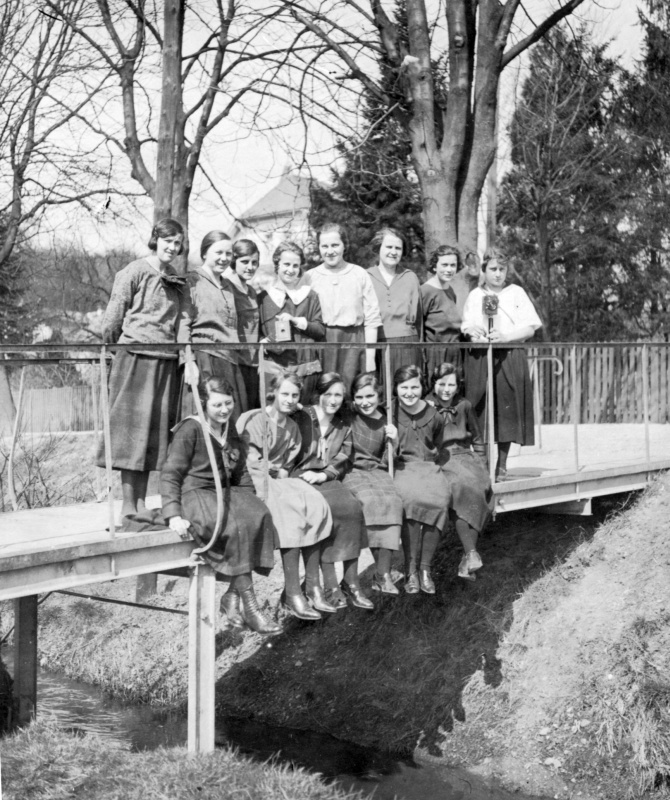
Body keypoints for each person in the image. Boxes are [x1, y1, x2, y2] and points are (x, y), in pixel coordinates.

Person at [160, 377, 280, 634]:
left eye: (229, 403)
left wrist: (251, 499)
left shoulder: (229, 429)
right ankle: (250, 606)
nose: (225, 410)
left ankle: (231, 597)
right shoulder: (190, 429)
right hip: (195, 494)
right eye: (217, 405)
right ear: (203, 403)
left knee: (258, 515)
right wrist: (172, 515)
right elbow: (171, 473)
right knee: (233, 524)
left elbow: (241, 471)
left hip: (223, 492)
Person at [97, 217, 185, 518]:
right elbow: (111, 320)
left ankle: (143, 504)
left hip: (165, 361)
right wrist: (116, 350)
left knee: (153, 433)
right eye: (168, 241)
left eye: (177, 243)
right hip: (134, 357)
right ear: (155, 239)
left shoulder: (176, 278)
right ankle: (127, 505)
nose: (172, 248)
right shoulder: (133, 271)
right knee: (130, 432)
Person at [236, 372, 333, 621]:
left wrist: (282, 476)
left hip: (276, 478)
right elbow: (249, 462)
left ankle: (313, 584)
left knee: (313, 501)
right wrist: (273, 479)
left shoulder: (291, 427)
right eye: (285, 394)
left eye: (294, 395)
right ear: (274, 393)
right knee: (288, 508)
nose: (289, 400)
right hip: (251, 478)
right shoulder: (255, 419)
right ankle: (292, 592)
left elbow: (285, 466)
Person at [292, 373, 373, 611]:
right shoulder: (302, 416)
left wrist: (325, 474)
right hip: (300, 475)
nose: (333, 400)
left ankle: (352, 582)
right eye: (328, 394)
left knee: (351, 508)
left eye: (338, 395)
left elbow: (343, 455)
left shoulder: (342, 423)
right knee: (326, 511)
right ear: (319, 394)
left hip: (324, 477)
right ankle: (331, 585)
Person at [461, 247, 543, 479]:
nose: (498, 274)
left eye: (502, 269)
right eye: (493, 269)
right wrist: (472, 332)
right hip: (480, 356)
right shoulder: (476, 295)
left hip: (508, 354)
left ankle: (502, 465)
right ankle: (483, 464)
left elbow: (530, 328)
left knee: (507, 409)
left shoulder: (515, 293)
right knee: (481, 408)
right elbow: (466, 324)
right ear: (484, 271)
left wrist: (506, 336)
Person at [428, 363, 493, 581]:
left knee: (483, 488)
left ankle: (470, 556)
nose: (446, 389)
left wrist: (483, 463)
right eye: (441, 384)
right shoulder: (426, 405)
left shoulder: (464, 405)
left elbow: (476, 437)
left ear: (458, 386)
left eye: (451, 384)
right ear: (433, 384)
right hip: (441, 457)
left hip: (465, 455)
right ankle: (471, 553)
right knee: (458, 487)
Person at [393, 364, 451, 595]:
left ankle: (425, 569)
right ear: (396, 388)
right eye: (404, 387)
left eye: (414, 387)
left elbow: (437, 443)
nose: (409, 393)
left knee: (439, 499)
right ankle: (410, 569)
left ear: (422, 387)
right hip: (402, 466)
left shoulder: (434, 414)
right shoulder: (390, 412)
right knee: (410, 499)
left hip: (427, 466)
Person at [345, 372, 404, 596]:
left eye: (370, 396)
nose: (365, 402)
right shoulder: (349, 415)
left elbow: (389, 458)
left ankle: (382, 574)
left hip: (376, 470)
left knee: (393, 500)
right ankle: (383, 573)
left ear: (379, 396)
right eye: (359, 397)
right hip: (352, 470)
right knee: (369, 501)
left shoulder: (385, 419)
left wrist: (394, 439)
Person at [303, 222, 381, 391]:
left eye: (335, 245)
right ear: (319, 247)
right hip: (323, 342)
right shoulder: (310, 277)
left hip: (354, 342)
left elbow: (372, 318)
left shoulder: (359, 274)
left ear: (344, 245)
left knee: (351, 390)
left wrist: (370, 355)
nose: (330, 251)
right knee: (325, 389)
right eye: (325, 246)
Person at [178, 231, 248, 417]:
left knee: (232, 418)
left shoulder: (229, 287)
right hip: (204, 360)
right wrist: (188, 360)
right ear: (204, 253)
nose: (224, 258)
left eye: (228, 253)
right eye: (218, 253)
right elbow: (183, 324)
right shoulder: (192, 281)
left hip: (229, 360)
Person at [257, 241, 326, 404]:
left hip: (304, 368)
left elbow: (320, 330)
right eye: (286, 264)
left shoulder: (310, 296)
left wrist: (297, 321)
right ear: (277, 265)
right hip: (273, 369)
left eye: (295, 266)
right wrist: (263, 341)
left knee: (303, 414)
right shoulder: (263, 298)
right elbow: (256, 331)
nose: (290, 270)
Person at [368, 227, 422, 380]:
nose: (393, 252)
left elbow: (418, 320)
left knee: (406, 389)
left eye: (398, 248)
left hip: (407, 345)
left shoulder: (410, 277)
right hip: (376, 344)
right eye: (389, 247)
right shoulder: (366, 276)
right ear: (379, 248)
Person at [421, 245, 471, 376]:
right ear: (434, 266)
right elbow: (419, 327)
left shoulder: (450, 290)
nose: (449, 270)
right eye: (444, 265)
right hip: (435, 354)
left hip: (454, 352)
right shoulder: (426, 291)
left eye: (453, 265)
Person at [224, 240, 262, 411]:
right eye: (245, 262)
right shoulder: (227, 287)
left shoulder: (252, 291)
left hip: (253, 363)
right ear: (234, 261)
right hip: (236, 362)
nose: (250, 267)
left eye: (254, 262)